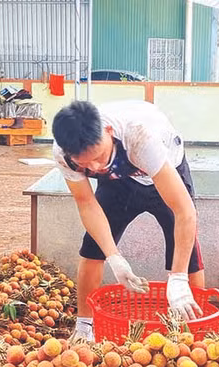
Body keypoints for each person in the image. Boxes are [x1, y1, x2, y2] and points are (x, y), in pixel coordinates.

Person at [52, 100, 204, 340]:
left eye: (100, 156)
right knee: (93, 248)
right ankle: (84, 326)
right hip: (118, 182)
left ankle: (195, 330)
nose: (95, 167)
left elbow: (184, 211)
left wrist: (178, 278)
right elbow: (86, 204)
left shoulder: (140, 137)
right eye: (85, 164)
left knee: (188, 254)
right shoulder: (63, 153)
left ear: (109, 133)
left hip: (162, 171)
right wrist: (114, 257)